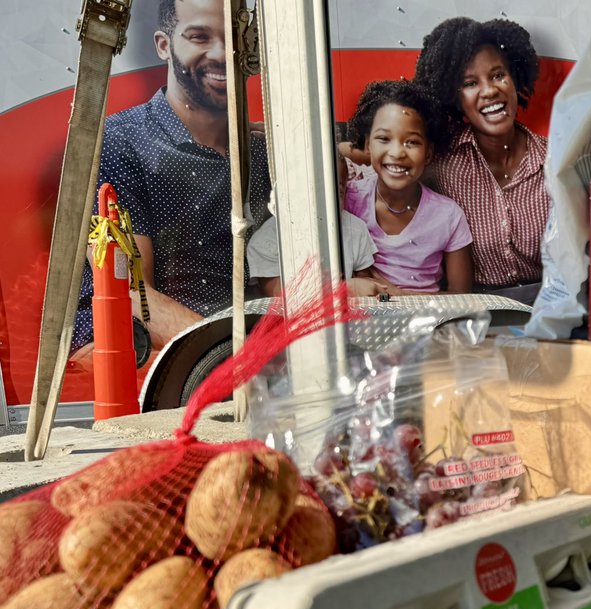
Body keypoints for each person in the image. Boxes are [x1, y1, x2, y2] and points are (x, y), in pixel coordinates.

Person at [70, 0, 271, 361]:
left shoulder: (263, 153)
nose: (221, 54)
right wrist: (241, 360)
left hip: (255, 356)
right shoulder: (120, 142)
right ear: (164, 45)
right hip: (170, 365)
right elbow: (130, 293)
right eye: (199, 37)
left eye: (232, 39)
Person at [413, 17, 550, 292]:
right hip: (477, 309)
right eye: (470, 83)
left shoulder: (555, 160)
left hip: (551, 306)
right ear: (454, 99)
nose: (489, 91)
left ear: (514, 80)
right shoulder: (441, 163)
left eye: (498, 75)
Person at [342, 80, 473, 295]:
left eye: (411, 142)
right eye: (384, 138)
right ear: (367, 146)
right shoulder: (348, 200)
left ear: (428, 153)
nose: (397, 153)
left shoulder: (449, 215)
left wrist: (400, 295)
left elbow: (461, 297)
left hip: (429, 314)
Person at [247, 155, 386, 297]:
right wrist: (346, 287)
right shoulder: (266, 240)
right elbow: (281, 296)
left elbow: (364, 284)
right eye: (311, 190)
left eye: (337, 192)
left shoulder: (355, 228)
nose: (324, 201)